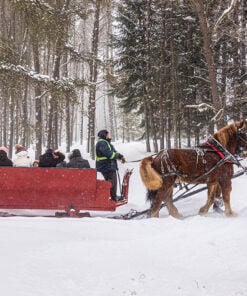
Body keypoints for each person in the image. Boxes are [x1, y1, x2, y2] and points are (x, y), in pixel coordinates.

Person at [96, 129, 125, 201]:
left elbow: (114, 152)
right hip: (106, 166)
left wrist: (120, 156)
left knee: (110, 182)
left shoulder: (107, 143)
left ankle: (111, 196)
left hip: (108, 166)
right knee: (112, 182)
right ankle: (113, 197)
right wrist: (118, 156)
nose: (109, 136)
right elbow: (110, 154)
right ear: (104, 135)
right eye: (108, 134)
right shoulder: (102, 143)